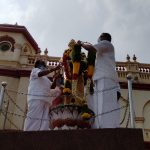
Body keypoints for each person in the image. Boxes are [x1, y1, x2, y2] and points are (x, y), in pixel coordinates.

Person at [78, 33, 121, 128]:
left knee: (105, 104)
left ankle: (107, 126)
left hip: (105, 78)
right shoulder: (104, 51)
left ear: (103, 38)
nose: (98, 40)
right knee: (99, 104)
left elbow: (91, 48)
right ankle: (101, 126)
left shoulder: (106, 44)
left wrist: (81, 43)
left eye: (99, 38)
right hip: (101, 77)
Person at [23, 60, 62, 131]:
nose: (45, 67)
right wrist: (53, 69)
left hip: (46, 100)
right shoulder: (35, 71)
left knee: (44, 120)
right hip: (36, 98)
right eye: (43, 65)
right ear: (39, 65)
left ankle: (42, 134)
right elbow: (40, 74)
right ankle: (28, 134)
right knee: (34, 117)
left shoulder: (46, 79)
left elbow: (52, 87)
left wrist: (56, 78)